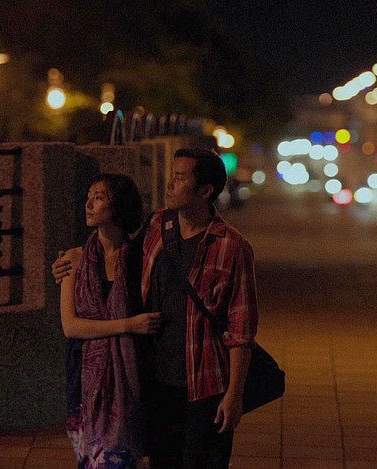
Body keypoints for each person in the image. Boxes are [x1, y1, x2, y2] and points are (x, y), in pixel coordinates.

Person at [55, 148, 259, 469]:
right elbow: (115, 257)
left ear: (205, 190)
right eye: (171, 175)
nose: (170, 184)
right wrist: (68, 264)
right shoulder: (156, 228)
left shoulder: (231, 247)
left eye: (180, 177)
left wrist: (234, 395)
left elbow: (241, 329)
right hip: (157, 382)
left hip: (206, 383)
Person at [59, 173, 162, 469]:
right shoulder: (73, 259)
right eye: (89, 196)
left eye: (99, 197)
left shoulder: (140, 258)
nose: (89, 204)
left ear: (118, 205)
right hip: (83, 372)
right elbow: (71, 326)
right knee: (90, 460)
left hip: (129, 369)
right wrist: (128, 325)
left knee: (123, 459)